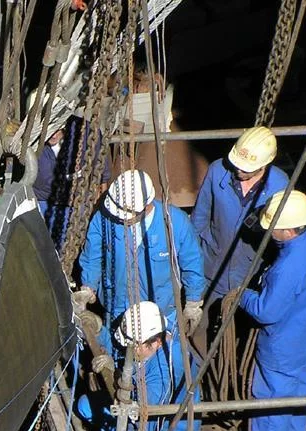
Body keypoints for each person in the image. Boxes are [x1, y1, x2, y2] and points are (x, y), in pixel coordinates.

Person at [228, 190, 306, 431]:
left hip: (285, 345)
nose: (268, 230)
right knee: (300, 387)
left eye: (273, 226)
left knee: (272, 398)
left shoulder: (287, 268)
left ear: (288, 230)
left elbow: (267, 311)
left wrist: (242, 295)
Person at [75, 169, 206, 366]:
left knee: (163, 366)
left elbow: (192, 263)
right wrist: (88, 287)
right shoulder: (105, 216)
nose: (120, 219)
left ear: (146, 206)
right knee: (116, 355)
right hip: (117, 306)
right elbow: (92, 254)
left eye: (126, 214)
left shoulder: (174, 223)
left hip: (161, 313)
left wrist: (193, 302)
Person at [77, 301, 207, 431]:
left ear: (156, 342)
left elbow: (143, 417)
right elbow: (121, 349)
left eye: (135, 346)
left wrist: (115, 372)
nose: (131, 349)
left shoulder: (164, 375)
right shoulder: (151, 334)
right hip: (140, 406)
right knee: (84, 406)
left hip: (164, 427)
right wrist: (99, 331)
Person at [191, 126, 289, 339]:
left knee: (241, 335)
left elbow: (282, 239)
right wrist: (197, 260)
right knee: (201, 328)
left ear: (265, 164)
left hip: (250, 276)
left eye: (247, 168)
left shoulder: (280, 186)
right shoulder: (218, 170)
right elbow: (200, 218)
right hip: (213, 267)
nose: (239, 171)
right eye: (237, 164)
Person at [33, 114, 112, 248]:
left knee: (77, 239)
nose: (53, 135)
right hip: (45, 199)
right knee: (46, 243)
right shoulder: (31, 140)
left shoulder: (86, 133)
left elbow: (101, 162)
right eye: (48, 130)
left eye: (57, 129)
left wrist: (102, 194)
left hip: (78, 196)